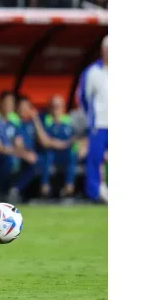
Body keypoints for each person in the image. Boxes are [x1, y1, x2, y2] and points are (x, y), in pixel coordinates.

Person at [78, 36, 108, 202]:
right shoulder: (92, 72)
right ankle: (94, 194)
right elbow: (83, 97)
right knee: (95, 159)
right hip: (100, 123)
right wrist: (91, 116)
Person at [40, 95, 76, 198]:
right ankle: (44, 186)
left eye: (58, 106)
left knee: (72, 155)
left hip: (64, 154)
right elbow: (44, 141)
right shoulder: (45, 120)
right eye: (53, 106)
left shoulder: (68, 121)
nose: (55, 109)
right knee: (48, 155)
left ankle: (69, 186)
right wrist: (60, 144)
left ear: (63, 107)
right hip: (49, 153)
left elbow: (74, 139)